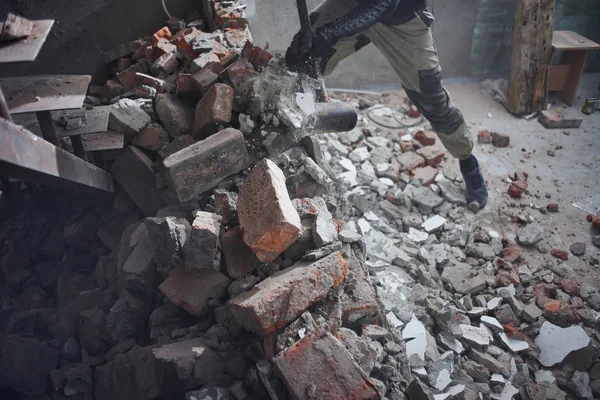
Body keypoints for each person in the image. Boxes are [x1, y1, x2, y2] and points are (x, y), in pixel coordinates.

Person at [285, 0, 488, 209]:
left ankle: (466, 158)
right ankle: (289, 135)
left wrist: (328, 34)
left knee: (431, 99)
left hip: (400, 18)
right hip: (350, 4)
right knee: (301, 55)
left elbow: (383, 3)